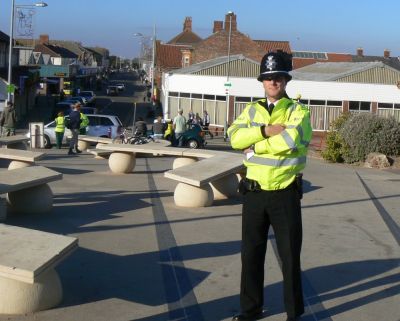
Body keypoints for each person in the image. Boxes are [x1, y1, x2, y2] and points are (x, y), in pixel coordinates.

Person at [228, 51, 312, 321]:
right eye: (268, 78)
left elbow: (289, 142)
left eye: (278, 78)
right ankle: (249, 310)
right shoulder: (251, 110)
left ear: (286, 81)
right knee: (250, 255)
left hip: (285, 194)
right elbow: (233, 138)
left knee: (290, 258)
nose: (273, 82)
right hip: (253, 194)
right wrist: (265, 131)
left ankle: (293, 313)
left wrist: (254, 145)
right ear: (262, 82)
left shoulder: (299, 111)